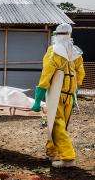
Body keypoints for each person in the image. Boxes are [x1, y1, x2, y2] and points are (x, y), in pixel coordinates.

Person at [32, 23, 85, 168]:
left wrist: (37, 100)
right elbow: (80, 74)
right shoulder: (75, 53)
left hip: (57, 95)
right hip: (69, 95)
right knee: (60, 125)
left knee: (56, 126)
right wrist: (74, 92)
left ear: (56, 35)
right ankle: (52, 152)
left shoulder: (53, 51)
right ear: (69, 34)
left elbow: (46, 76)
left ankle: (68, 158)